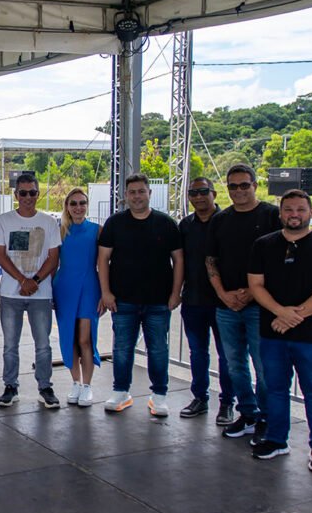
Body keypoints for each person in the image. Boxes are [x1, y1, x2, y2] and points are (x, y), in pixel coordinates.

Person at [248, 189, 312, 474]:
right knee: (274, 389)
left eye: (300, 209)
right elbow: (256, 285)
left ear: (311, 212)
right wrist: (280, 312)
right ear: (280, 213)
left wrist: (290, 316)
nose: (294, 214)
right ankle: (277, 439)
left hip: (311, 337)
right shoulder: (263, 245)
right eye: (288, 209)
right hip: (272, 334)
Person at [207, 163, 281, 443]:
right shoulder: (221, 219)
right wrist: (223, 294)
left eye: (244, 185)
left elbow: (277, 262)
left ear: (255, 186)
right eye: (233, 186)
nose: (238, 190)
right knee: (234, 364)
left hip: (259, 307)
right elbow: (210, 260)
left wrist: (252, 293)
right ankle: (247, 413)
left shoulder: (272, 216)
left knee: (263, 365)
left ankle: (265, 416)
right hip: (226, 305)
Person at [98, 173, 183, 415]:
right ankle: (121, 391)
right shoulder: (115, 223)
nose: (137, 196)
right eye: (132, 192)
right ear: (126, 196)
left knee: (158, 349)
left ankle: (159, 395)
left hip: (158, 301)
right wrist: (106, 292)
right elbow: (103, 259)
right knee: (122, 348)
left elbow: (178, 260)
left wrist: (176, 292)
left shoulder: (166, 224)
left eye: (141, 191)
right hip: (123, 300)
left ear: (149, 193)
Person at [0, 173, 62, 408]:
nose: (28, 197)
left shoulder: (49, 222)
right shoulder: (4, 220)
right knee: (10, 344)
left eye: (32, 192)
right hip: (11, 294)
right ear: (16, 195)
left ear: (38, 194)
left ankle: (45, 386)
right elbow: (0, 256)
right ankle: (10, 386)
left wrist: (35, 281)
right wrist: (23, 280)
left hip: (40, 294)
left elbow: (54, 258)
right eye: (23, 193)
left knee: (43, 344)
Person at [178, 178, 235, 424]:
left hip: (224, 302)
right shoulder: (185, 225)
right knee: (197, 353)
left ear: (213, 193)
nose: (199, 197)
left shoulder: (228, 222)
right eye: (193, 193)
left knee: (228, 355)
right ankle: (200, 398)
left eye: (203, 192)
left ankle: (227, 403)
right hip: (193, 299)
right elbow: (178, 262)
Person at [52, 188, 101, 407]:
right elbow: (53, 263)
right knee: (69, 338)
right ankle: (75, 383)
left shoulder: (97, 230)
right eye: (74, 203)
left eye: (82, 203)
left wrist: (105, 293)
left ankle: (88, 386)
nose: (78, 207)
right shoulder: (60, 230)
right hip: (64, 288)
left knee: (85, 339)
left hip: (89, 287)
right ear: (67, 206)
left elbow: (105, 264)